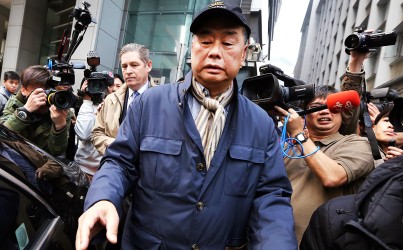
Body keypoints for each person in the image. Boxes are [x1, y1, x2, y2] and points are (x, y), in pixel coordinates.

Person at [76, 2, 297, 250]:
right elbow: (119, 162)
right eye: (205, 41)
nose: (215, 52)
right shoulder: (150, 104)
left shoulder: (260, 124)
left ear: (243, 52)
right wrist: (103, 198)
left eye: (227, 43)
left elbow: (271, 196)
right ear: (192, 47)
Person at [275, 85, 374, 244]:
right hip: (274, 241)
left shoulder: (358, 144)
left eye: (333, 107)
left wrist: (299, 136)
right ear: (303, 115)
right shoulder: (286, 148)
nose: (325, 111)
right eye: (315, 107)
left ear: (342, 114)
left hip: (323, 244)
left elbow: (332, 177)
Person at [92, 43, 158, 155]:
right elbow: (97, 134)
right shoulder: (110, 100)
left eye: (134, 65)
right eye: (124, 66)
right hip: (116, 167)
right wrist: (116, 146)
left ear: (148, 66)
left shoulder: (164, 100)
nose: (128, 71)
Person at [0, 65, 71, 157]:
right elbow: (2, 135)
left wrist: (60, 126)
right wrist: (25, 111)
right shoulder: (15, 103)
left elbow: (56, 152)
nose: (44, 97)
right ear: (23, 90)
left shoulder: (62, 112)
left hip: (40, 164)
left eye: (48, 91)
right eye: (39, 92)